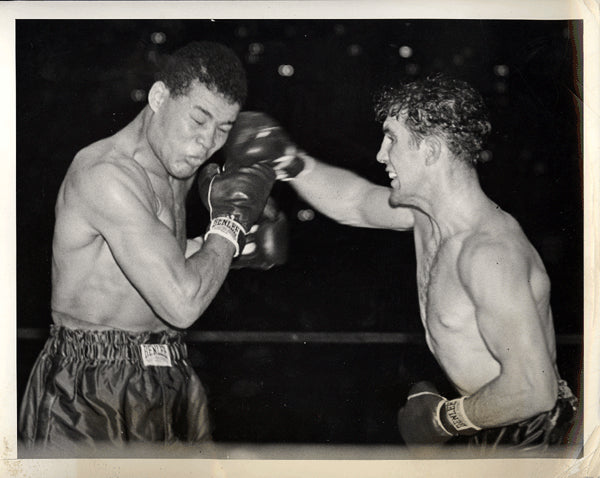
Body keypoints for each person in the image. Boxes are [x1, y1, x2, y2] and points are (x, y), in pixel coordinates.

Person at [220, 75, 578, 452]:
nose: (380, 154)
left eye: (392, 138)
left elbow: (534, 389)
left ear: (432, 151)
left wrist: (445, 419)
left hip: (534, 433)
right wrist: (292, 162)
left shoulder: (489, 252)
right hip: (488, 422)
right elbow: (356, 201)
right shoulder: (425, 216)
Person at [18, 41, 283, 454]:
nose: (206, 143)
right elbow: (181, 303)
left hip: (168, 370)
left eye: (223, 129)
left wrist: (231, 249)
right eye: (198, 120)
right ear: (159, 98)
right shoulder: (106, 175)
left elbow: (161, 259)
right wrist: (228, 226)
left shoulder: (175, 169)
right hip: (91, 386)